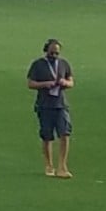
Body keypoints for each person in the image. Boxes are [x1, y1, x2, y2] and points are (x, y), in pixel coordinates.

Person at [26, 39, 75, 178]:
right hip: (45, 105)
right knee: (47, 136)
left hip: (61, 105)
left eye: (57, 53)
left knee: (65, 133)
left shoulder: (63, 64)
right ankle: (49, 165)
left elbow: (71, 81)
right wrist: (45, 84)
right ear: (46, 50)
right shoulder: (38, 65)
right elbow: (30, 83)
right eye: (52, 52)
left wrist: (65, 83)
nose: (54, 55)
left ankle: (62, 166)